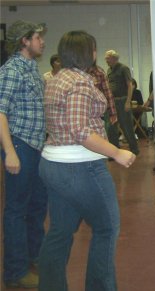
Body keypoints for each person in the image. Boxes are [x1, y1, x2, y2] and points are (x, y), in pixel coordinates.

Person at [38, 30, 136, 291]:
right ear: (88, 53)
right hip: (80, 167)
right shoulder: (80, 83)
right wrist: (116, 152)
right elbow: (80, 131)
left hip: (53, 165)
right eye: (94, 49)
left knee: (60, 231)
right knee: (106, 228)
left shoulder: (56, 80)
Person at [0, 20, 47, 289]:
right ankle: (15, 271)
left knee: (38, 205)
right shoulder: (11, 71)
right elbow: (0, 113)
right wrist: (9, 152)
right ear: (24, 41)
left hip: (36, 147)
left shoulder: (32, 70)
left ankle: (36, 256)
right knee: (17, 210)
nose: (41, 41)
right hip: (19, 146)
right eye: (37, 37)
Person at [104, 49, 139, 155]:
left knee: (126, 126)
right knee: (110, 127)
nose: (106, 60)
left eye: (108, 58)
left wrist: (128, 102)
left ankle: (134, 149)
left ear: (114, 58)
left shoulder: (124, 68)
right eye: (105, 58)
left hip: (122, 100)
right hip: (112, 102)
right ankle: (114, 151)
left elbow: (130, 85)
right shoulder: (109, 70)